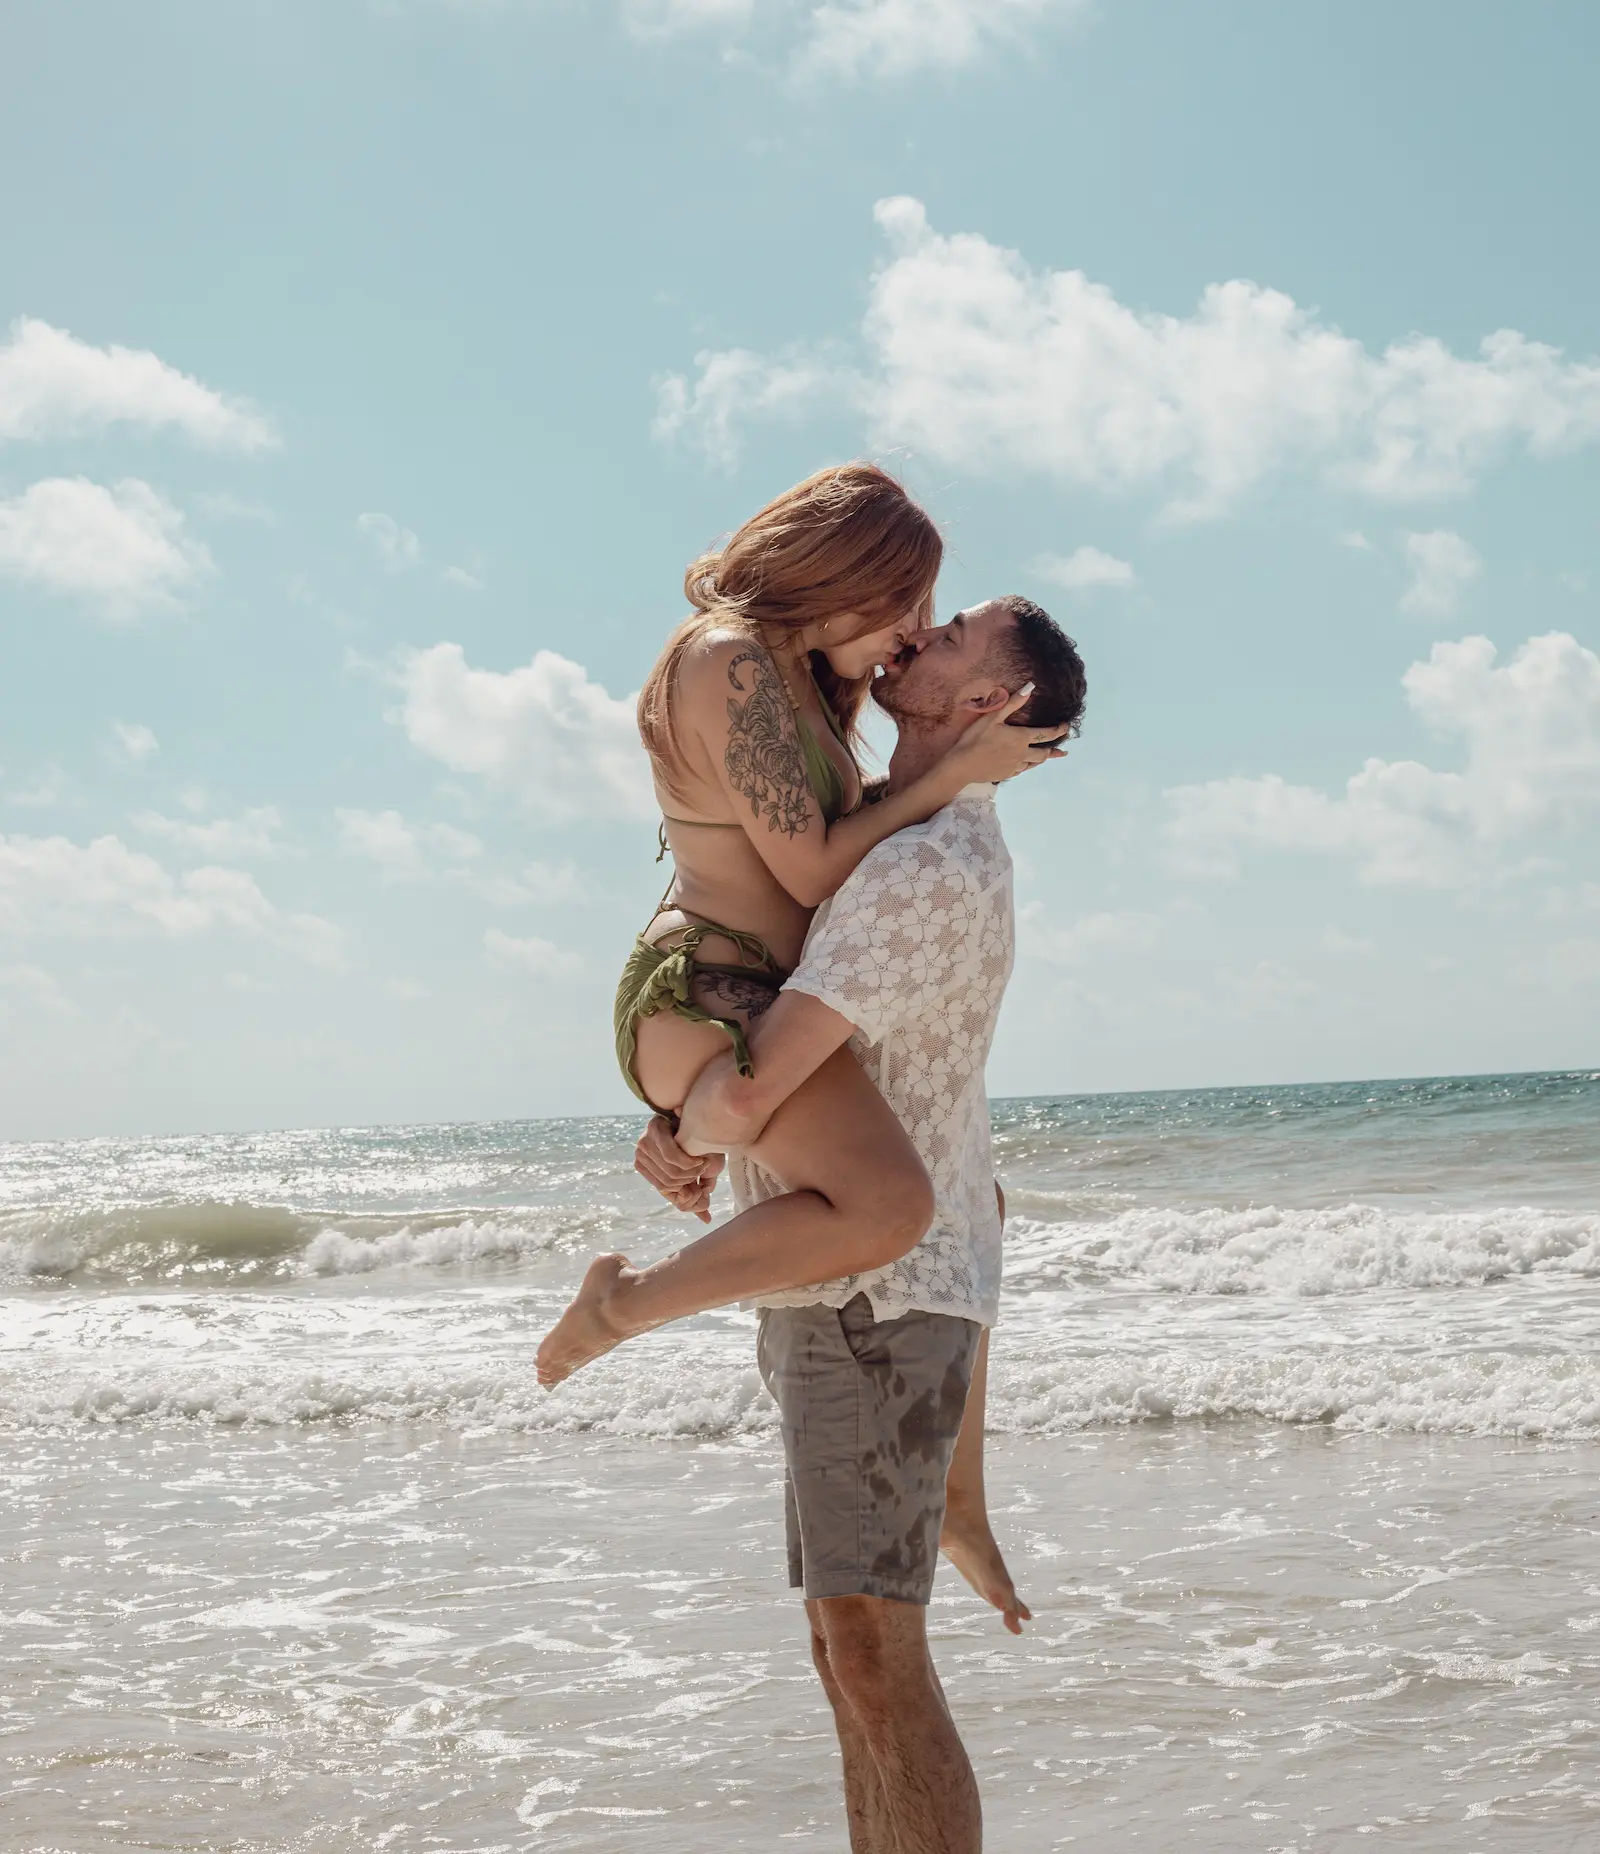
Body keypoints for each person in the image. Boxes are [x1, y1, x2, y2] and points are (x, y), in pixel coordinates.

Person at [634, 596, 1088, 1853]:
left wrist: (686, 1129)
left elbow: (767, 1077)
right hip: (859, 1295)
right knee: (851, 1656)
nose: (917, 635)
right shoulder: (915, 845)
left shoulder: (921, 869)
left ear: (983, 707)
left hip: (871, 1306)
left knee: (875, 1662)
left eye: (952, 638)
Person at [535, 468, 1061, 1387]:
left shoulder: (800, 682)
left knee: (969, 1203)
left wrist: (694, 1125)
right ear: (843, 576)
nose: (909, 635)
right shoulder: (726, 658)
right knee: (890, 1204)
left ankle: (965, 1521)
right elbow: (815, 866)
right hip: (701, 985)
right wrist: (951, 773)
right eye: (905, 607)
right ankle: (619, 1304)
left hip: (753, 1000)